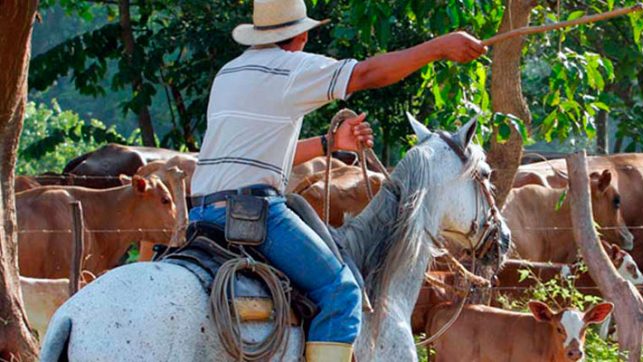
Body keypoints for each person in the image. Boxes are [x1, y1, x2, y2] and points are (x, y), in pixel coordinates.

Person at [187, 0, 487, 360]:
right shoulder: (289, 67)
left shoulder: (230, 73)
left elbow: (260, 152)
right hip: (254, 214)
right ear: (300, 35)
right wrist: (439, 47)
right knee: (341, 292)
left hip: (202, 217)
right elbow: (365, 75)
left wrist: (329, 144)